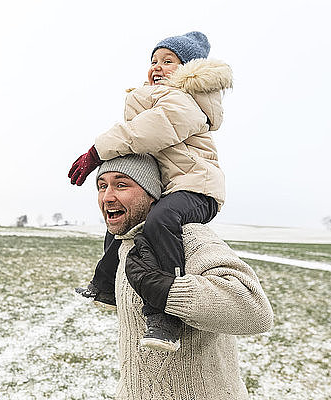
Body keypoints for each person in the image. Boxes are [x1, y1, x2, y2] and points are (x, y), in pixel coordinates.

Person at [69, 32, 233, 351]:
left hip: (198, 188)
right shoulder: (159, 97)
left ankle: (166, 314)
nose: (156, 67)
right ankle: (104, 287)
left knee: (160, 221)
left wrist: (96, 151)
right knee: (122, 225)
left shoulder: (183, 100)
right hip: (174, 186)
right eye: (153, 61)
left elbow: (149, 130)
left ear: (189, 71)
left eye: (167, 62)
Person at [91, 154, 273, 400]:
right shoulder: (124, 246)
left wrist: (167, 290)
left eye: (121, 184)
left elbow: (256, 311)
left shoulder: (189, 237)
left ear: (151, 193)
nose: (107, 196)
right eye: (102, 186)